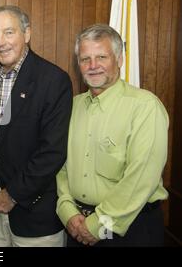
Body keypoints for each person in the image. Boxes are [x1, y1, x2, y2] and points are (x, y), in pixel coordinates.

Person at [56, 23, 169, 247]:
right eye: (85, 59)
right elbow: (61, 165)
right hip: (77, 225)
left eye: (102, 57)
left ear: (119, 59)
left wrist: (98, 225)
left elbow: (139, 180)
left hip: (130, 230)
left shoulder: (145, 107)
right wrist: (67, 210)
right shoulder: (72, 106)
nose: (93, 66)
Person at [0, 5, 73, 246]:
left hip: (35, 217)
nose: (1, 42)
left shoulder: (54, 80)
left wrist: (14, 194)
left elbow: (52, 151)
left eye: (9, 32)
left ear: (26, 34)